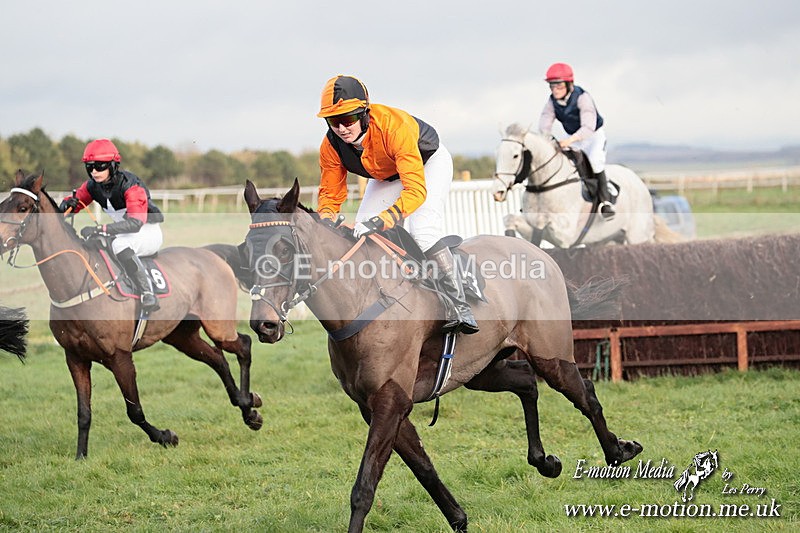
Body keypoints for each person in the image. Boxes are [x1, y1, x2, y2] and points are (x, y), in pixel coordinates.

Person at [316, 74, 478, 334]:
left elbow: (415, 190)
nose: (342, 128)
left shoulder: (394, 127)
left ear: (365, 113)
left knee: (422, 229)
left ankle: (461, 306)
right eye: (334, 121)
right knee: (361, 232)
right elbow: (331, 193)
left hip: (427, 164)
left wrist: (384, 218)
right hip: (386, 175)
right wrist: (325, 219)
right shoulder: (330, 146)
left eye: (348, 119)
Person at [59, 139, 164, 313]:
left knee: (118, 244)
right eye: (90, 166)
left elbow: (136, 223)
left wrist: (101, 229)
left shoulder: (131, 185)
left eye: (100, 166)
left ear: (113, 165)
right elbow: (72, 205)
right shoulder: (92, 186)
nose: (94, 171)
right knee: (96, 243)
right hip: (125, 231)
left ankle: (147, 293)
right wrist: (62, 208)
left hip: (147, 232)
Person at [538, 62, 615, 219]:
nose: (555, 90)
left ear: (569, 84)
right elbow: (545, 123)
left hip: (593, 135)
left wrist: (568, 141)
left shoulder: (582, 97)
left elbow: (588, 127)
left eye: (558, 86)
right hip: (574, 137)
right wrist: (545, 139)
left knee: (594, 161)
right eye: (552, 86)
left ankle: (605, 202)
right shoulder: (551, 102)